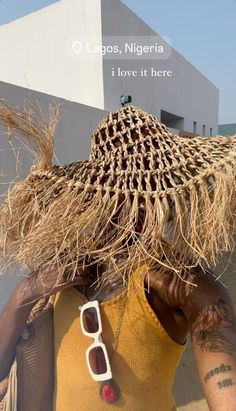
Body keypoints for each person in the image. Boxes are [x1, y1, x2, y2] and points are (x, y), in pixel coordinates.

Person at [0, 104, 236, 411]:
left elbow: (225, 379)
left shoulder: (178, 283)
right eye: (118, 195)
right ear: (95, 197)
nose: (134, 211)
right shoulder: (61, 273)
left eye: (148, 196)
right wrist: (27, 292)